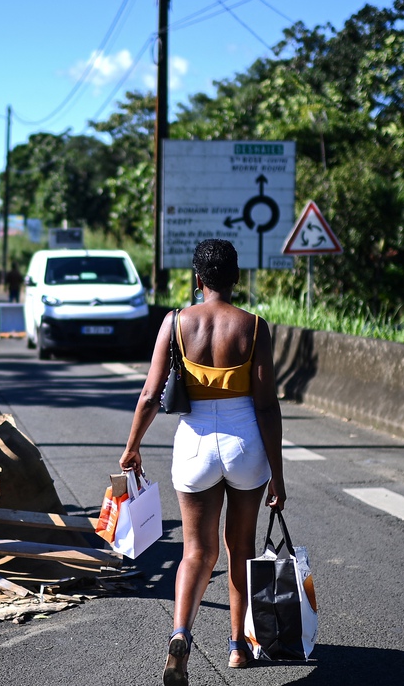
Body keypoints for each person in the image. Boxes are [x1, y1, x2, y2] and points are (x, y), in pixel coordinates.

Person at [117, 239, 286, 686]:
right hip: (246, 443)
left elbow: (151, 394)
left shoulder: (175, 323)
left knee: (197, 551)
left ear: (197, 279)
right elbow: (267, 406)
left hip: (193, 445)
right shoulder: (254, 326)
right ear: (236, 278)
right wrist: (278, 476)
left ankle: (180, 635)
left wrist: (133, 445)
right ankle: (236, 647)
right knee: (240, 547)